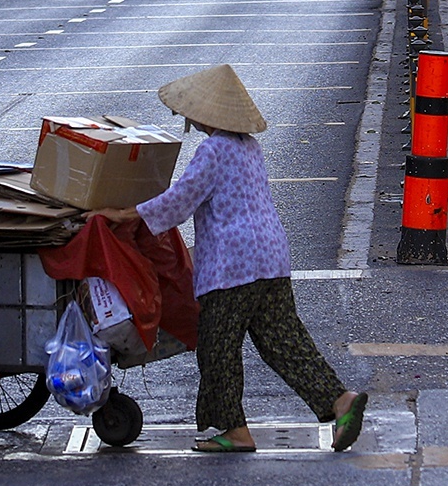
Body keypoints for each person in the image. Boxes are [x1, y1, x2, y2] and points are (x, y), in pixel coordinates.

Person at [95, 64, 369, 454]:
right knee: (283, 342)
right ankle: (340, 401)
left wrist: (127, 215)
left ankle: (234, 430)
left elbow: (180, 201)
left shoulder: (213, 150)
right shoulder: (247, 147)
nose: (186, 117)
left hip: (232, 267)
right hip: (270, 259)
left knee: (217, 348)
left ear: (205, 115)